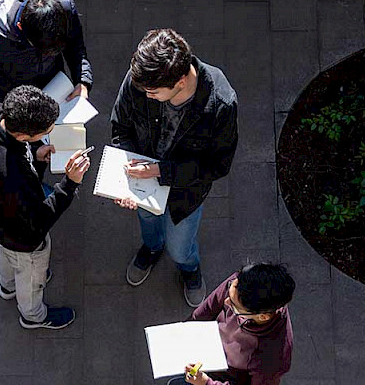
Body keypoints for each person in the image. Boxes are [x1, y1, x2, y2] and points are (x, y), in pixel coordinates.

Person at [111, 28, 238, 307]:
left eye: (153, 93)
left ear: (180, 81)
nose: (146, 95)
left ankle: (188, 268)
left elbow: (217, 165)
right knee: (148, 223)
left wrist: (160, 171)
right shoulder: (142, 80)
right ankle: (152, 248)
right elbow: (121, 125)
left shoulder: (220, 105)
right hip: (142, 182)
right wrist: (124, 169)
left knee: (180, 248)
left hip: (185, 194)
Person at [0, 85, 90, 329]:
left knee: (5, 253)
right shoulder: (10, 175)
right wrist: (70, 183)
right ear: (24, 135)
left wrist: (34, 153)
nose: (49, 134)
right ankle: (33, 315)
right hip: (24, 237)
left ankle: (8, 286)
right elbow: (40, 220)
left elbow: (12, 153)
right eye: (45, 133)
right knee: (32, 273)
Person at [0, 0, 93, 122]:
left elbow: (76, 46)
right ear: (20, 26)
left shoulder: (65, 8)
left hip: (55, 94)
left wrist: (82, 81)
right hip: (13, 111)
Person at [168, 263, 296, 385]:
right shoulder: (240, 283)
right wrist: (187, 329)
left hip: (225, 378)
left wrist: (206, 383)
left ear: (262, 316)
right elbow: (207, 308)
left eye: (234, 307)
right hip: (208, 349)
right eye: (230, 289)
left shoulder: (272, 356)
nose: (226, 301)